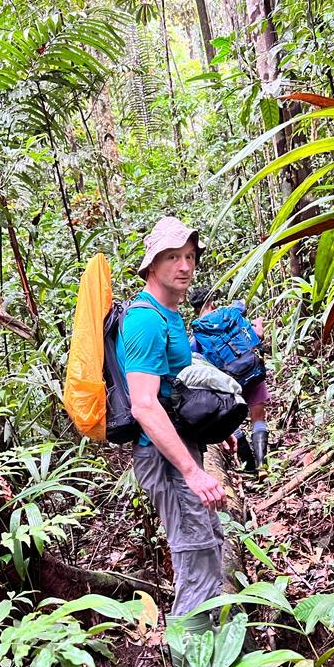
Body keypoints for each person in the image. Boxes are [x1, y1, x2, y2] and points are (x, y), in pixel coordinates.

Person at [117, 216, 227, 619]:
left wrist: (207, 435)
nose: (184, 266)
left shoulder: (170, 314)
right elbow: (144, 404)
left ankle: (214, 661)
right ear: (151, 265)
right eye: (172, 257)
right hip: (165, 462)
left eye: (189, 257)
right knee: (196, 562)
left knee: (209, 550)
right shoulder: (145, 319)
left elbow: (173, 389)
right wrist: (192, 471)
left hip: (181, 451)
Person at [189, 289, 271, 469]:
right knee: (258, 418)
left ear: (195, 309)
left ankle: (249, 466)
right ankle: (262, 464)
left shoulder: (198, 335)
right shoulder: (231, 317)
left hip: (229, 383)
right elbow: (256, 336)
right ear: (213, 303)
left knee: (232, 423)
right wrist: (259, 328)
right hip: (252, 370)